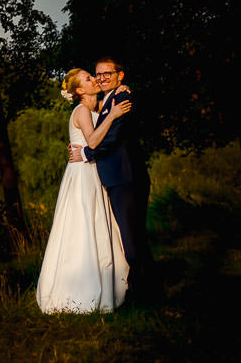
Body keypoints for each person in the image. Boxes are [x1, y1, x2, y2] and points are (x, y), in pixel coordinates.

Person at [36, 68, 131, 313]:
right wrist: (113, 116)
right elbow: (93, 141)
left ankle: (106, 283)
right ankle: (82, 290)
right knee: (85, 225)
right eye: (89, 79)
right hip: (82, 174)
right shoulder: (81, 111)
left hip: (89, 171)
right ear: (80, 90)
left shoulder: (95, 109)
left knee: (97, 224)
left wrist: (118, 90)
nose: (95, 80)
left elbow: (106, 109)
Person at [69, 56, 152, 302]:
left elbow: (112, 137)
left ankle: (142, 293)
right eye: (98, 74)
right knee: (130, 236)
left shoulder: (121, 98)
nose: (102, 77)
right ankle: (144, 288)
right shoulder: (105, 101)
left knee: (132, 238)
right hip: (115, 178)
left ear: (120, 75)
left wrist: (86, 152)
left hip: (126, 177)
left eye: (107, 73)